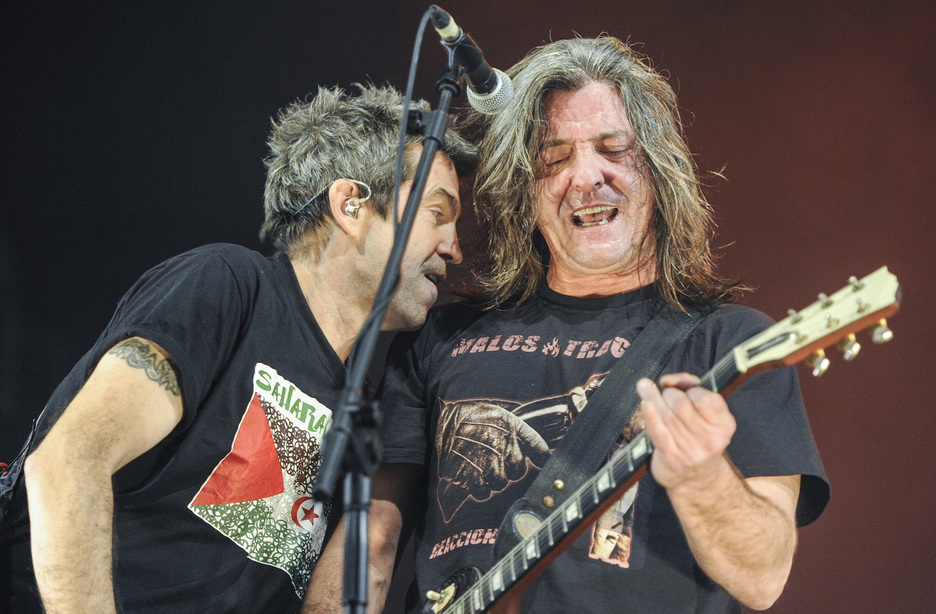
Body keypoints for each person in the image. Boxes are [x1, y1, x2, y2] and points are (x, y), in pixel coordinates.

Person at [305, 37, 829, 613]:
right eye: (554, 160)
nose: (586, 177)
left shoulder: (730, 343)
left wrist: (702, 475)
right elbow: (371, 542)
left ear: (659, 172)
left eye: (614, 149)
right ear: (523, 191)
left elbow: (763, 576)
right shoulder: (443, 336)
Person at [0, 84, 477, 613]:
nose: (454, 248)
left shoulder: (364, 404)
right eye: (437, 213)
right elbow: (69, 460)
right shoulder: (227, 284)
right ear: (350, 205)